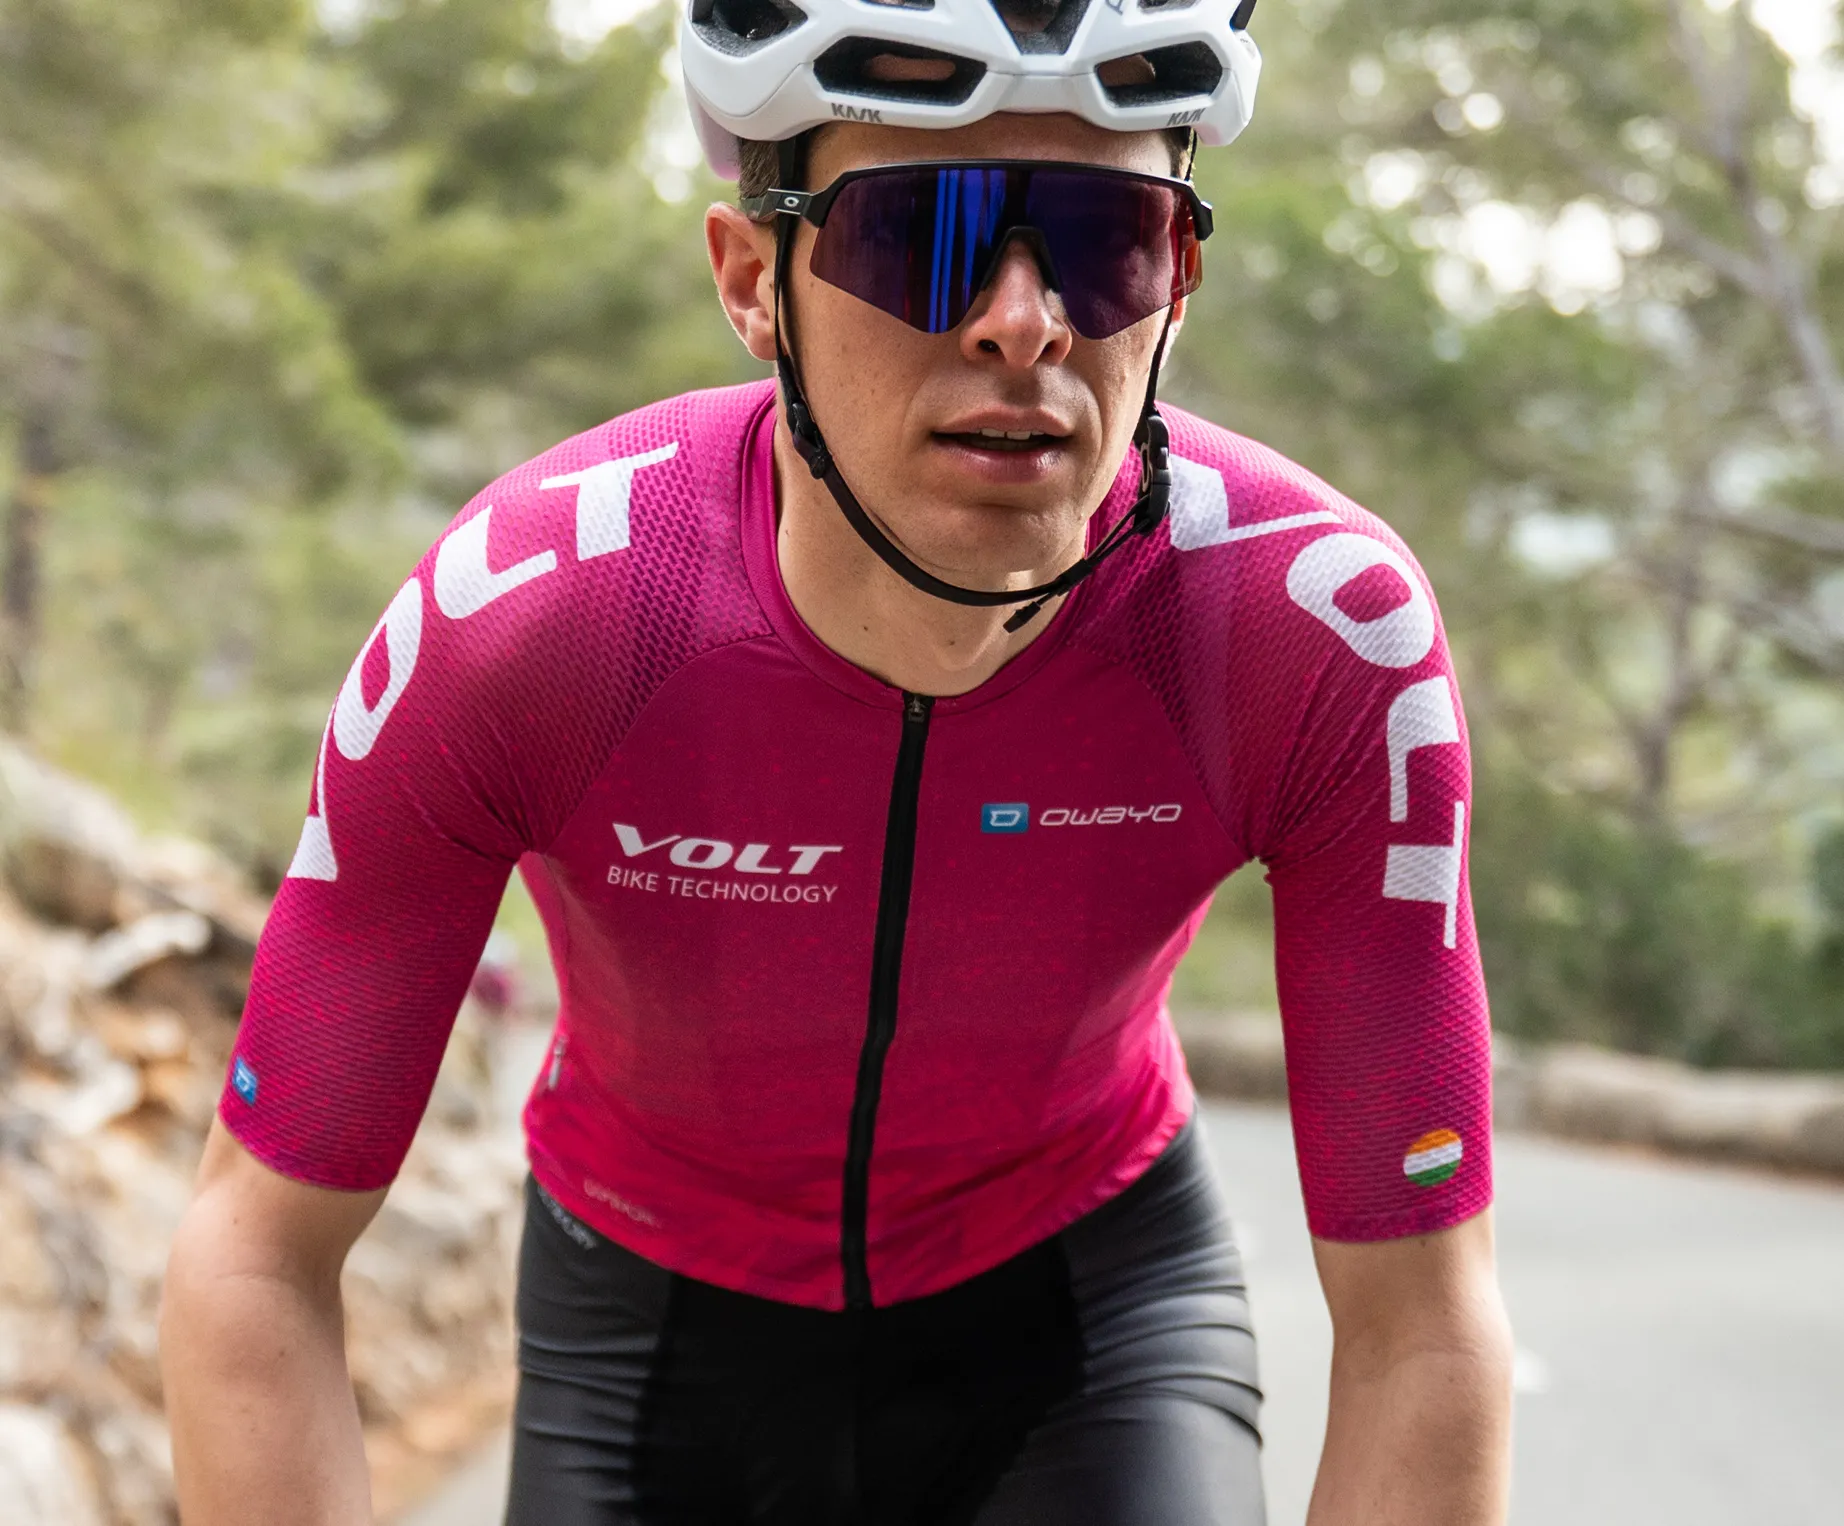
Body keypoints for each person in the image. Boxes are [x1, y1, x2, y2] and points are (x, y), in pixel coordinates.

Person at [160, 1, 1513, 1522]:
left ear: (1180, 281)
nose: (1023, 321)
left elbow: (1423, 1329)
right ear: (754, 283)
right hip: (654, 1310)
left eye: (1105, 238)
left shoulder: (1310, 628)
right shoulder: (538, 616)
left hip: (1085, 1302)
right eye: (918, 236)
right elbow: (256, 1257)